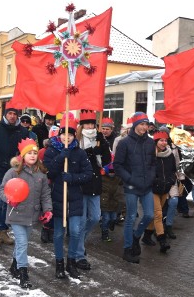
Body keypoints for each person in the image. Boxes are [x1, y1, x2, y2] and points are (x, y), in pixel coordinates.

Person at [43, 113, 93, 279]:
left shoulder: (79, 153)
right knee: (58, 233)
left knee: (75, 231)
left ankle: (71, 262)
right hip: (58, 198)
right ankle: (59, 263)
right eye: (64, 134)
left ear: (73, 136)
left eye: (70, 135)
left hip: (75, 199)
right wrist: (61, 157)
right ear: (59, 135)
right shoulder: (51, 151)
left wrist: (72, 178)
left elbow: (88, 174)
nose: (67, 137)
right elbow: (49, 172)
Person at [0, 138, 53, 289]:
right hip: (16, 214)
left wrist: (48, 210)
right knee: (22, 243)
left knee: (21, 244)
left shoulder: (41, 174)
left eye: (35, 153)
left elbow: (45, 194)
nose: (32, 155)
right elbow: (2, 190)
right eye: (29, 153)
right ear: (23, 155)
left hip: (32, 215)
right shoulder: (13, 172)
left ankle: (14, 265)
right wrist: (10, 200)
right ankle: (24, 274)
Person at [0, 106, 29, 248]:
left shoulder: (23, 131)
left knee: (9, 203)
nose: (12, 116)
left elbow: (26, 152)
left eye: (15, 114)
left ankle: (4, 231)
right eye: (10, 113)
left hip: (15, 172)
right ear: (5, 115)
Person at [113, 112, 156, 264]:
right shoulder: (124, 143)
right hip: (131, 186)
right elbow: (117, 165)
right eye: (141, 124)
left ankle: (137, 236)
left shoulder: (151, 143)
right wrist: (130, 179)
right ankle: (127, 249)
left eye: (146, 124)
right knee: (131, 217)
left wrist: (151, 177)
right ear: (135, 125)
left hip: (146, 186)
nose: (144, 127)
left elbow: (152, 163)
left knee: (150, 215)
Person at [76, 109, 111, 270]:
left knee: (95, 217)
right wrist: (88, 153)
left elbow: (106, 161)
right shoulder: (77, 139)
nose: (90, 126)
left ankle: (79, 240)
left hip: (95, 183)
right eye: (87, 123)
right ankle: (79, 255)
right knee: (82, 219)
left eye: (92, 123)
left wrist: (102, 147)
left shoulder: (99, 138)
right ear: (82, 125)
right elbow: (75, 160)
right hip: (81, 184)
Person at [141, 130, 176, 253]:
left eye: (165, 140)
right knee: (158, 214)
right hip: (152, 189)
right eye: (161, 140)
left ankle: (146, 236)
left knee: (154, 215)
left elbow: (173, 170)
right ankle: (162, 240)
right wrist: (154, 181)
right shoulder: (150, 155)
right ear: (156, 142)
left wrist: (171, 180)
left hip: (165, 189)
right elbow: (146, 171)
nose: (163, 143)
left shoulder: (170, 155)